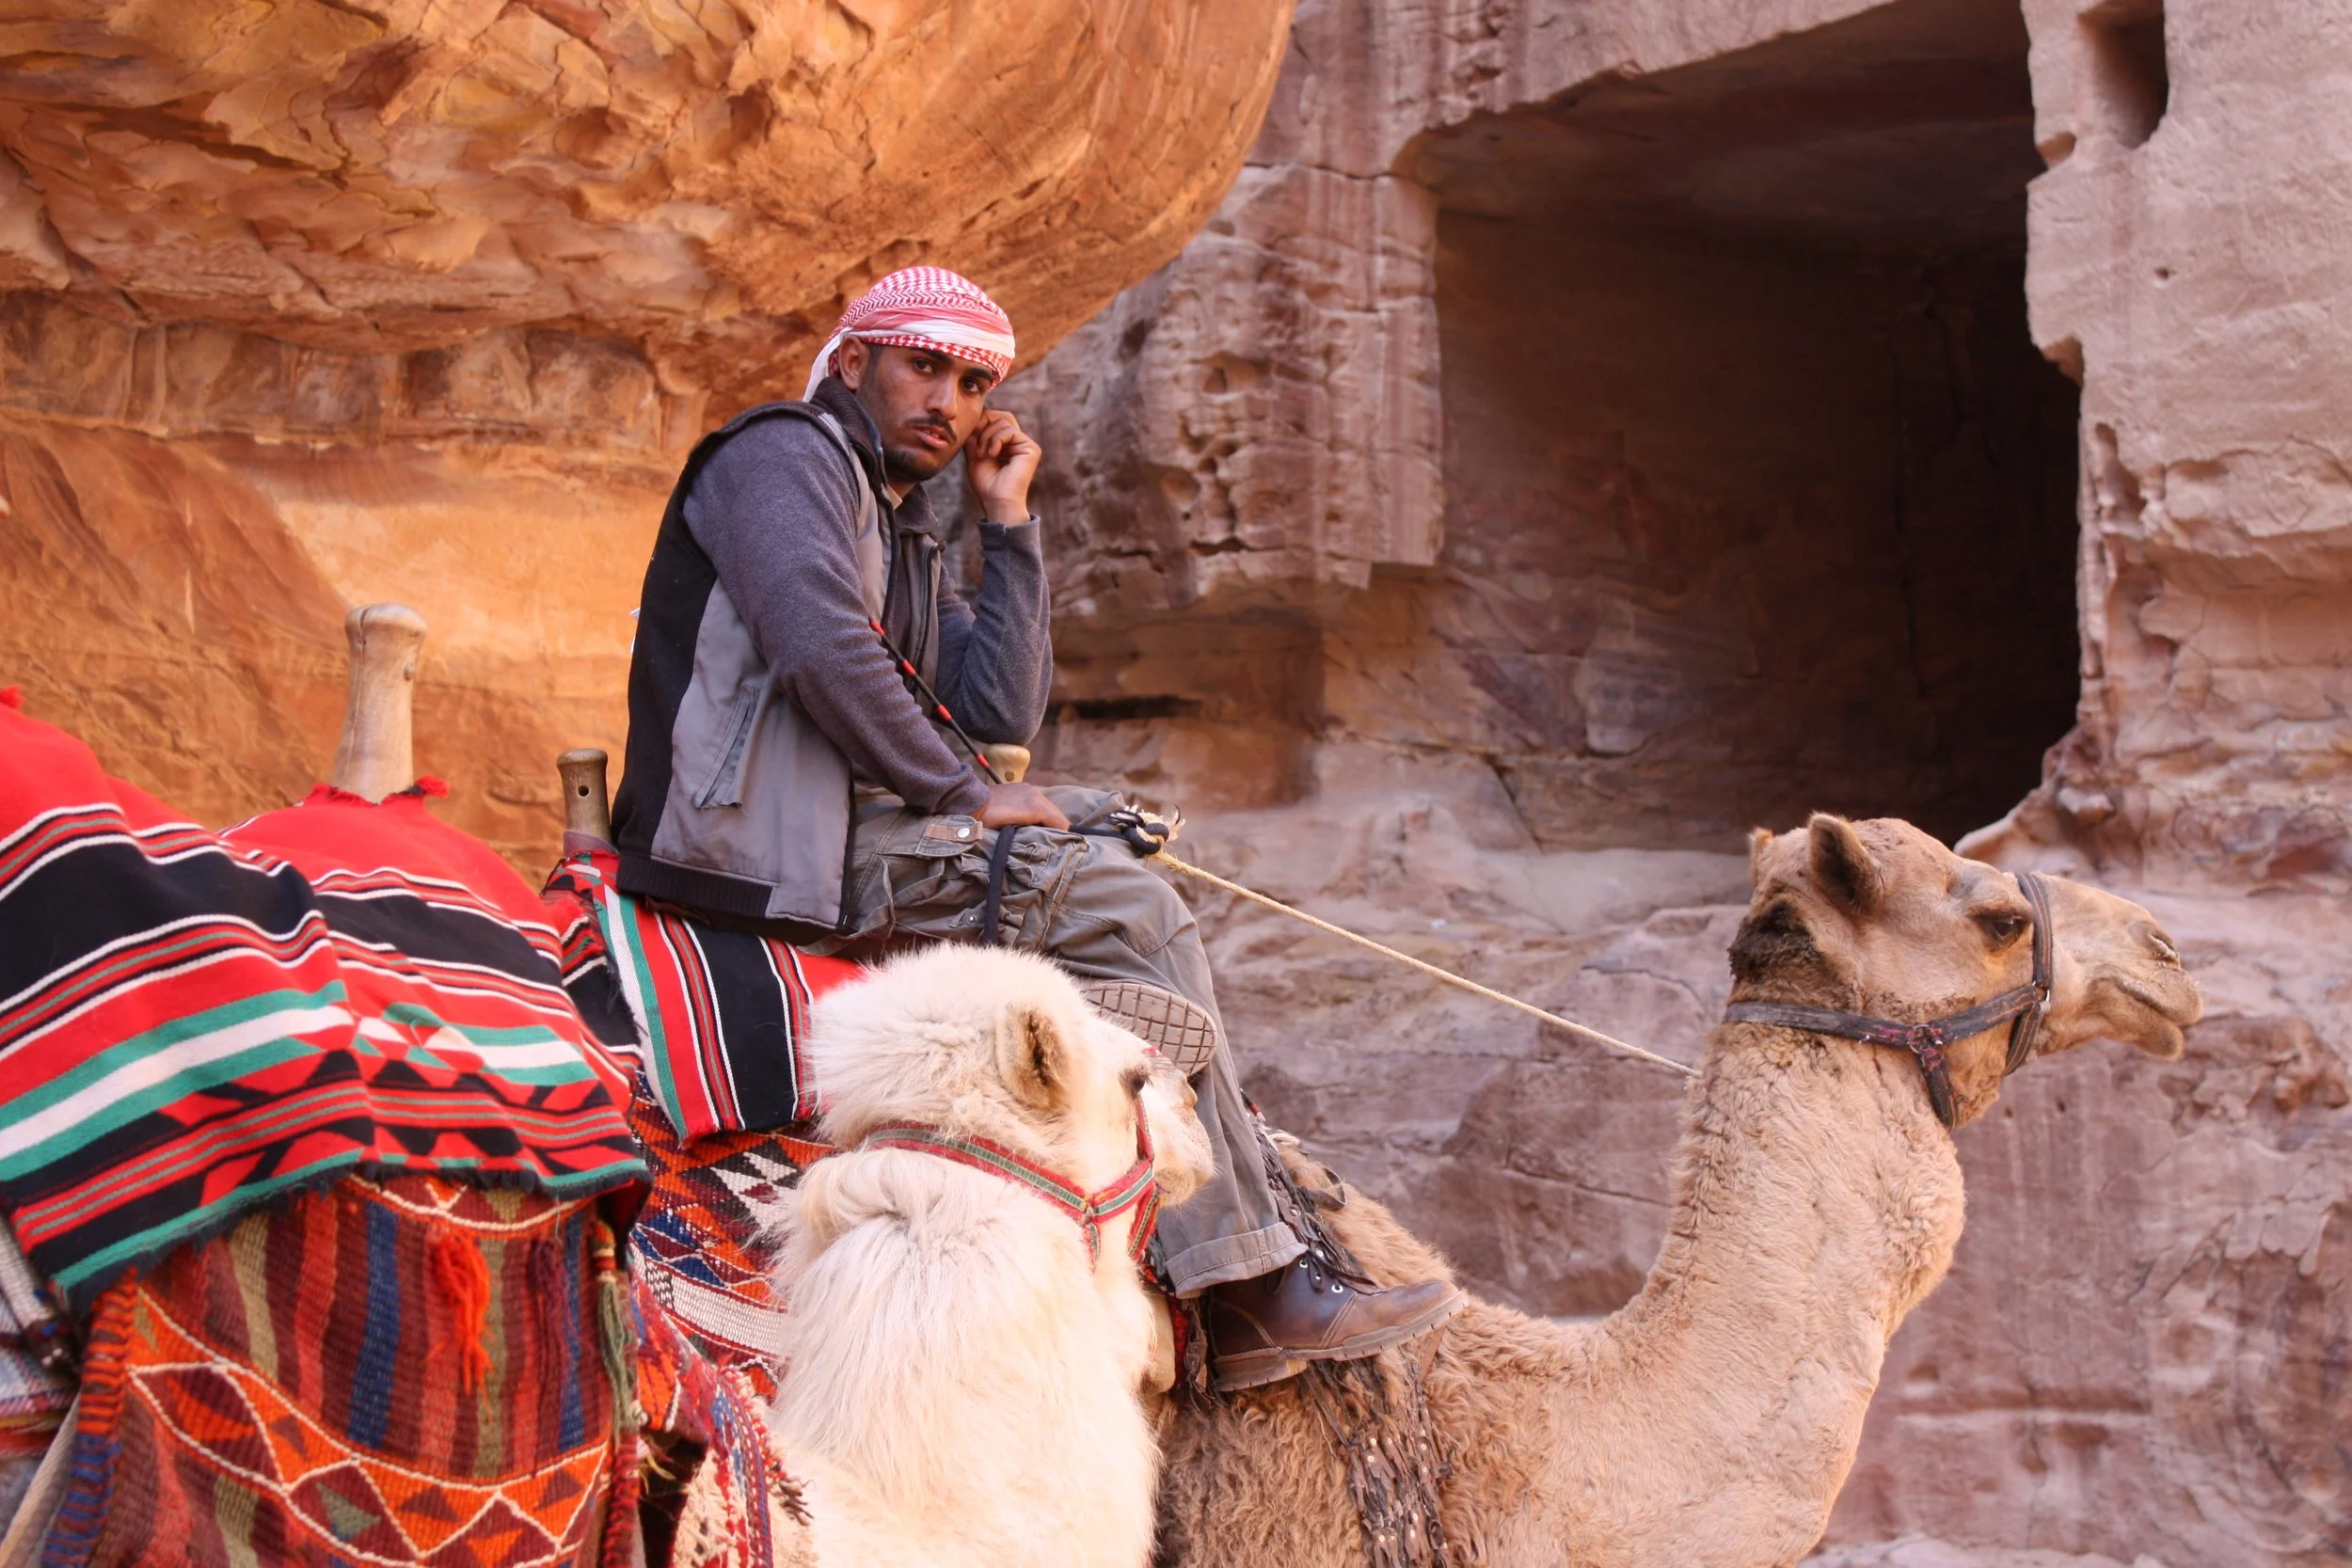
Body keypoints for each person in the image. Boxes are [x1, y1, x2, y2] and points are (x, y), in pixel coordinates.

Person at [610, 266, 1458, 1390]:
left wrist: (1004, 524)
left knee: (1119, 843)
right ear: (854, 359)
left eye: (971, 383)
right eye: (925, 368)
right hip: (760, 845)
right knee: (1120, 900)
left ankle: (1178, 1185)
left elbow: (997, 709)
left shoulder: (902, 521)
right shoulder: (780, 457)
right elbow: (821, 644)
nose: (949, 404)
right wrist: (961, 795)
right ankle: (1245, 1278)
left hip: (856, 821)